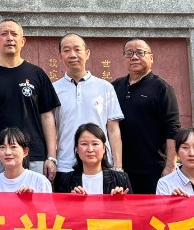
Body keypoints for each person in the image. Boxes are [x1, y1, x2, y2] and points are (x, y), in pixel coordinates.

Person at [0, 20, 59, 182]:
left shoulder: (37, 74)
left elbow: (47, 116)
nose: (9, 38)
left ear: (22, 41)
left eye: (14, 34)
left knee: (35, 198)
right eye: (4, 34)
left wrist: (51, 157)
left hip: (34, 155)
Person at [52, 34, 123, 192]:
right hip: (65, 166)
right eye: (66, 50)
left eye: (77, 49)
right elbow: (51, 130)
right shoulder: (53, 89)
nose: (73, 55)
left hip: (101, 165)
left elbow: (113, 129)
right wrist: (52, 159)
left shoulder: (105, 87)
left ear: (87, 53)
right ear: (60, 55)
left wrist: (118, 166)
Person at [112, 38, 182, 194]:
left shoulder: (162, 88)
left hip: (152, 169)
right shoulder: (115, 87)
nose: (134, 57)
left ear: (151, 57)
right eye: (129, 53)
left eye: (140, 53)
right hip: (120, 169)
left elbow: (173, 129)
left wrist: (170, 165)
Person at [0, 127, 52, 194]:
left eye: (13, 147)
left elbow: (47, 206)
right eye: (2, 147)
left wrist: (30, 200)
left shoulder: (40, 182)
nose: (7, 152)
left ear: (25, 152)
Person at [67, 123, 131, 196]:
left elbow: (131, 203)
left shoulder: (120, 178)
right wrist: (72, 200)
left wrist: (120, 200)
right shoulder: (66, 180)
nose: (90, 150)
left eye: (95, 144)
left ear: (104, 148)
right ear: (77, 149)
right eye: (84, 144)